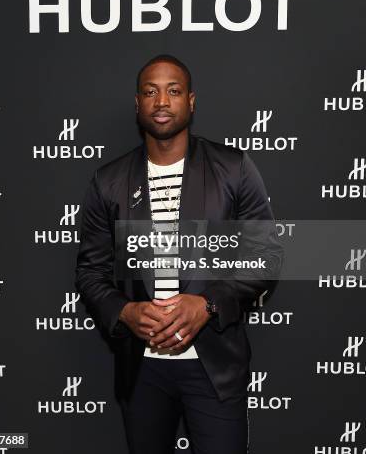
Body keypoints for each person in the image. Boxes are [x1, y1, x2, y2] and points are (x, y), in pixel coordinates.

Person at [75, 54, 282, 454]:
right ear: (138, 104)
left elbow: (266, 256)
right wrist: (124, 312)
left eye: (173, 90)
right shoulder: (108, 181)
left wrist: (207, 304)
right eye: (151, 91)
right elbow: (90, 272)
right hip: (142, 371)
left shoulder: (234, 168)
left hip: (214, 367)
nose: (162, 101)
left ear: (191, 100)